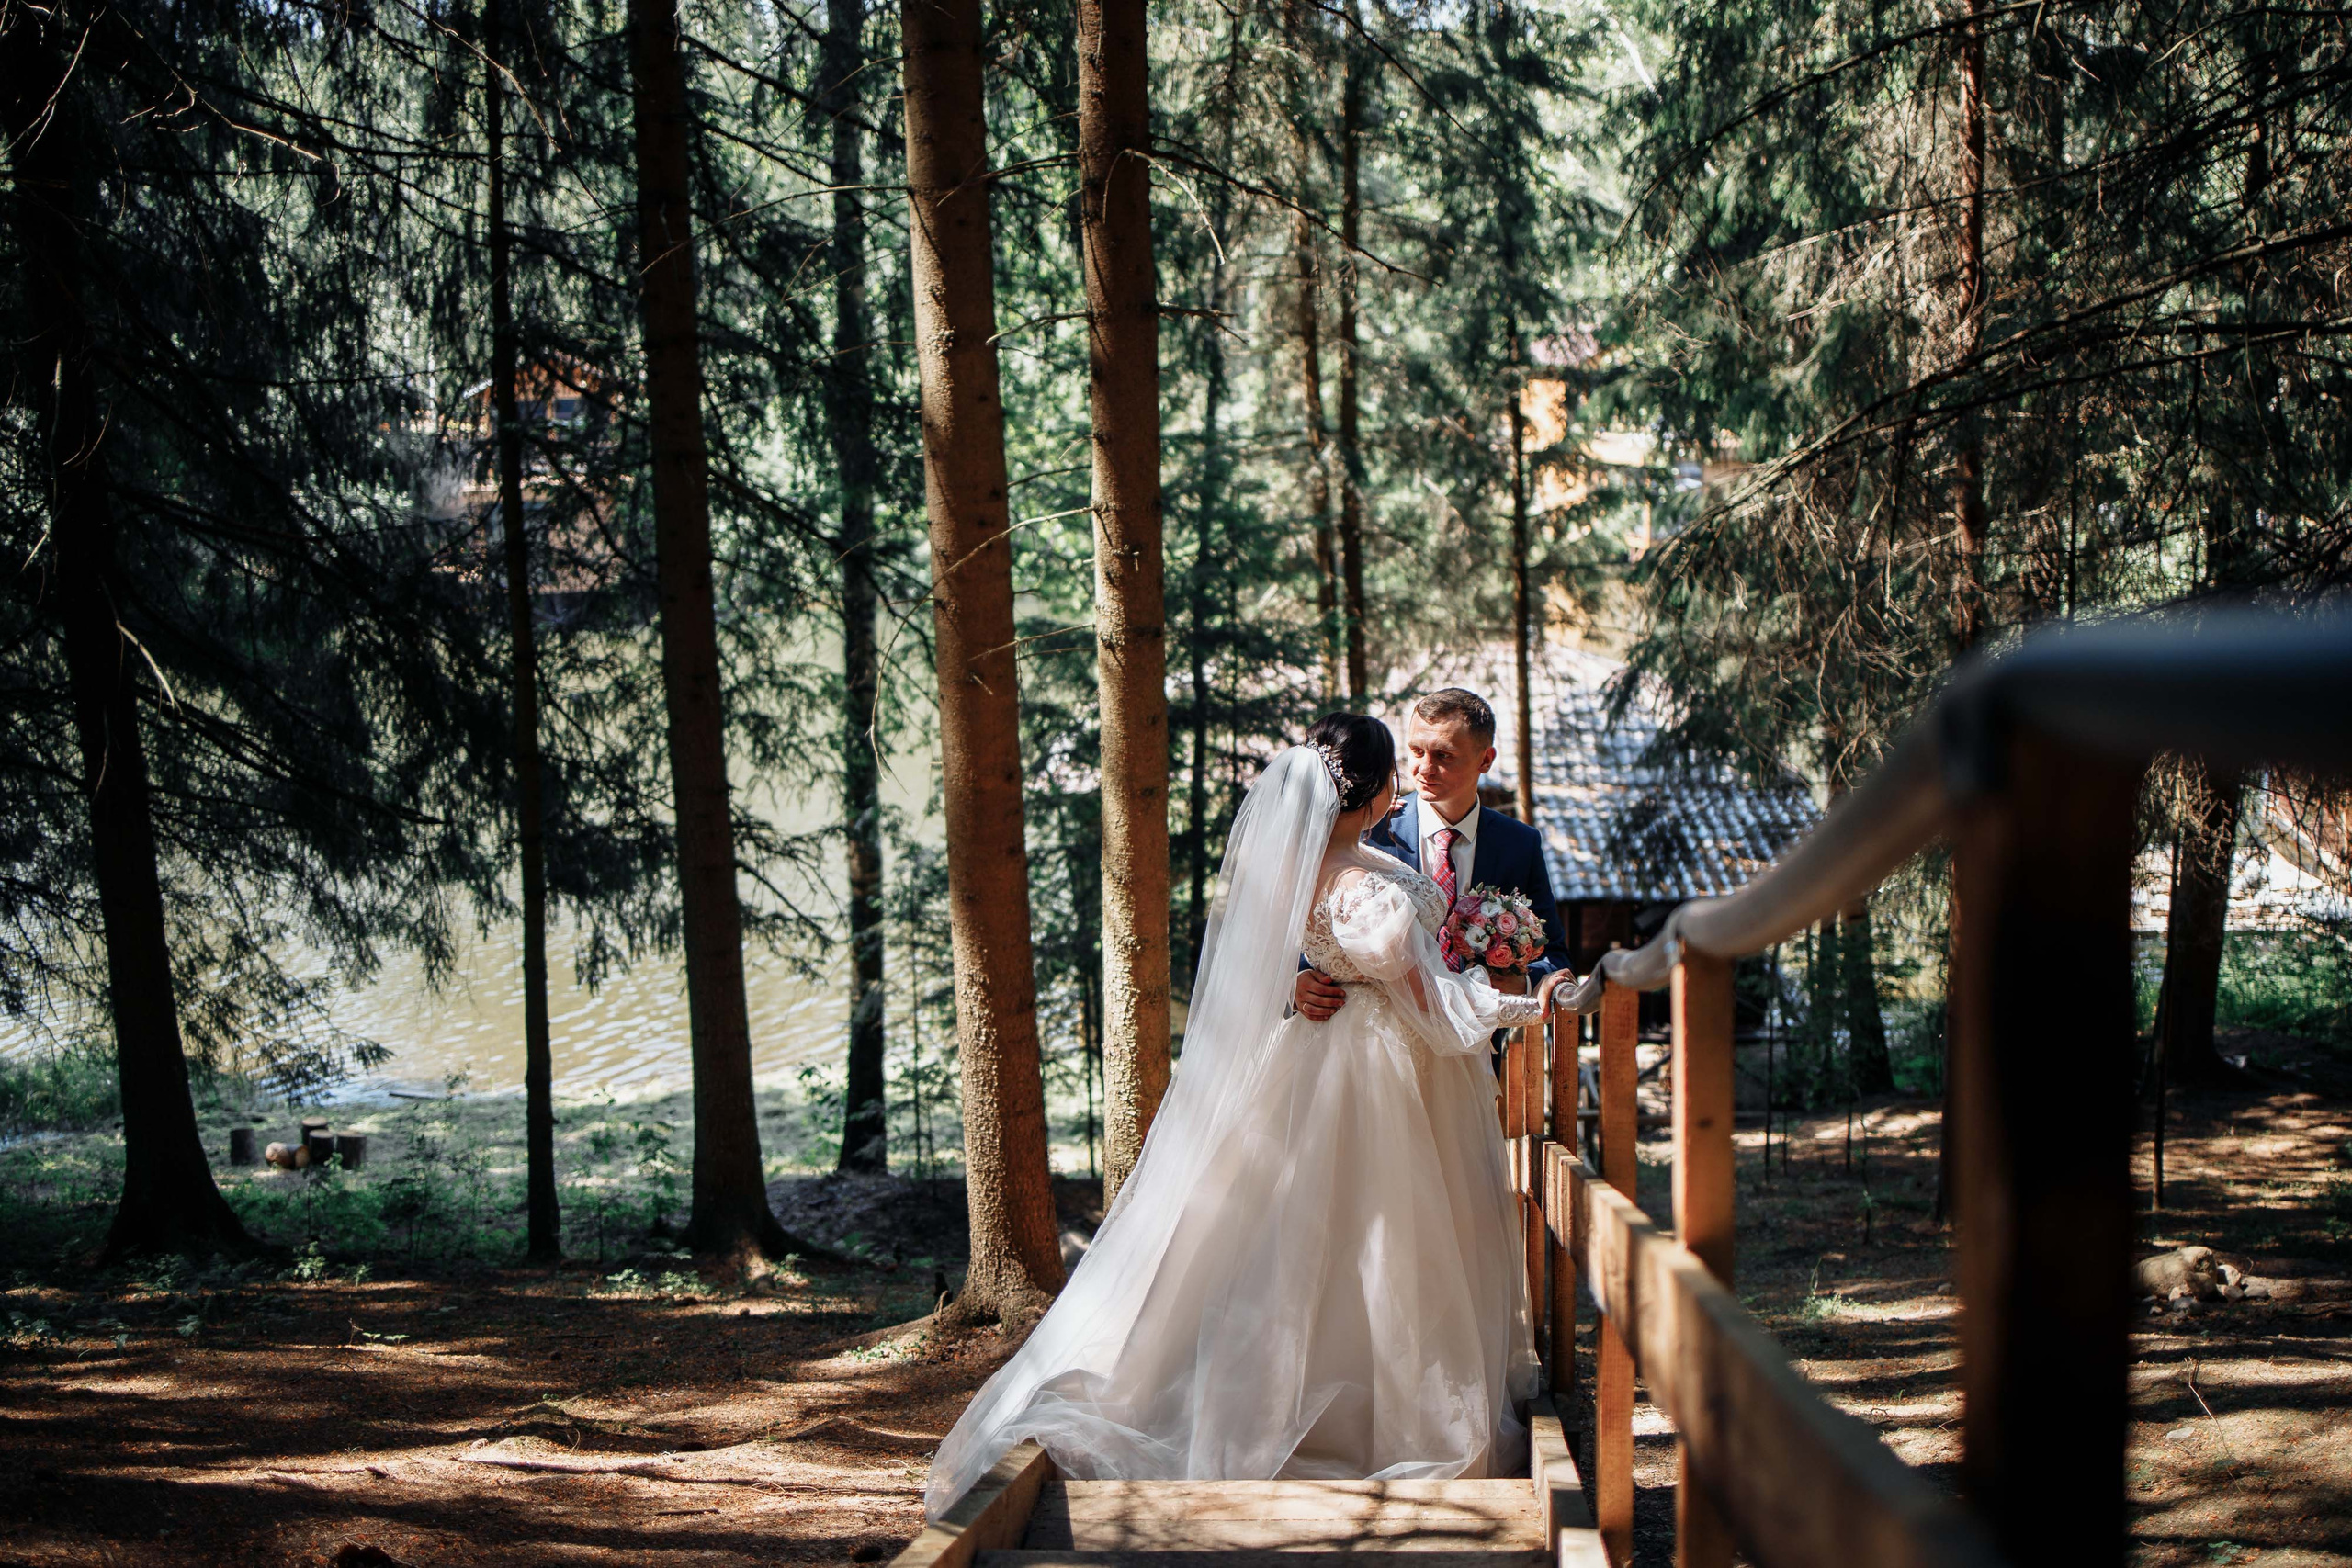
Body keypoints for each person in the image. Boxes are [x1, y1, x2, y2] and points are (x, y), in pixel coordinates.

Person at [922, 714, 1578, 1518]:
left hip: (1339, 1059)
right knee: (1382, 1240)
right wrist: (1517, 1008)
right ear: (1376, 788)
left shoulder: (1324, 863)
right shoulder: (1363, 883)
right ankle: (1387, 1423)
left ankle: (1332, 1408)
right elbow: (1430, 1007)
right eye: (1399, 766)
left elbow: (1306, 956)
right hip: (1380, 1071)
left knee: (1326, 1242)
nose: (1410, 777)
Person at [1295, 688, 1570, 1025]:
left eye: (1444, 755)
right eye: (1416, 751)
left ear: (1486, 759)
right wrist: (1295, 983)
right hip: (1376, 1042)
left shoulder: (1519, 844)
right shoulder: (1365, 830)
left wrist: (1525, 983)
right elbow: (1298, 924)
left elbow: (1554, 954)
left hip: (1485, 1047)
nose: (1424, 768)